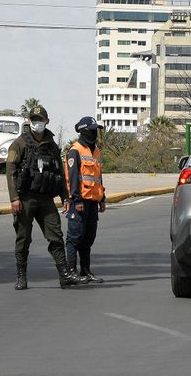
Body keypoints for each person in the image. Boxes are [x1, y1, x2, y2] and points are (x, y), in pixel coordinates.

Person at [5, 105, 83, 290]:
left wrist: (66, 197)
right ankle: (21, 277)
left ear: (47, 121)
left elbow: (59, 172)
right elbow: (10, 171)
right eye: (34, 120)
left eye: (40, 120)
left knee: (55, 236)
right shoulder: (19, 143)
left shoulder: (51, 145)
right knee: (23, 238)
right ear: (29, 121)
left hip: (46, 199)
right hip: (25, 198)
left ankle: (64, 275)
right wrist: (14, 198)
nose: (37, 123)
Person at [64, 116, 107, 283]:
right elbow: (72, 178)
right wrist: (76, 200)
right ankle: (70, 272)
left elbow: (98, 177)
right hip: (79, 202)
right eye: (92, 130)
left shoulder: (95, 151)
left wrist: (102, 197)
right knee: (75, 238)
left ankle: (85, 271)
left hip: (93, 201)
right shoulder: (75, 150)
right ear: (83, 131)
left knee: (88, 238)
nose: (95, 133)